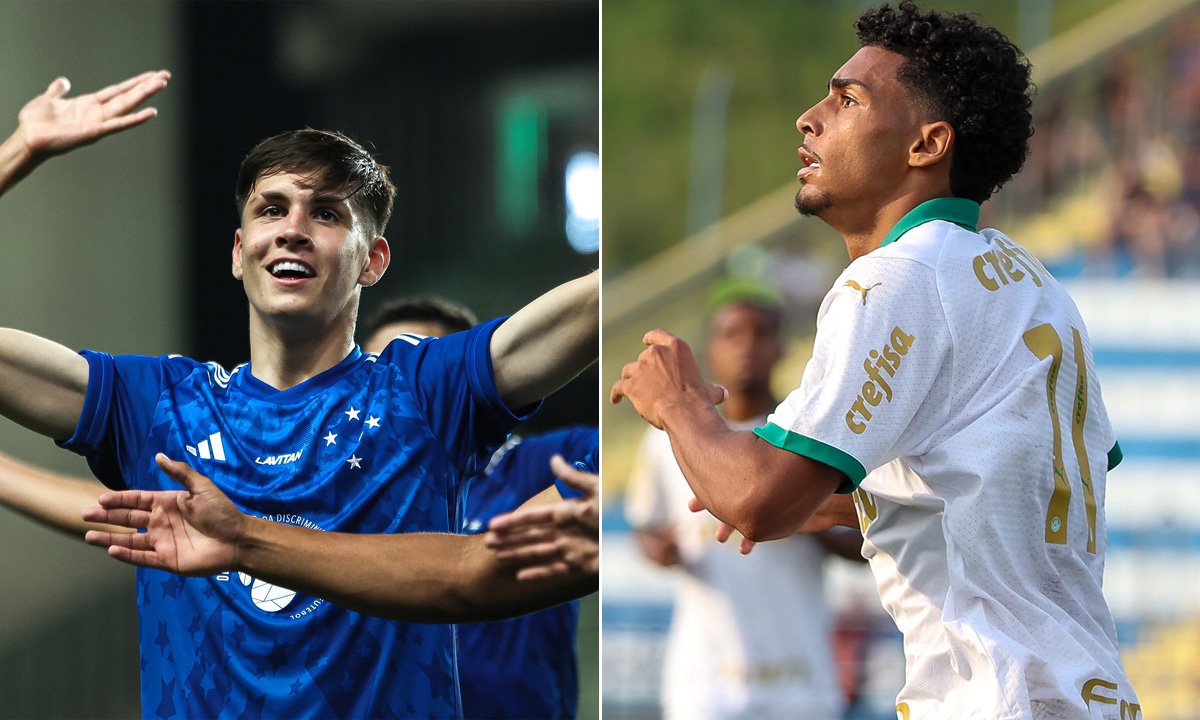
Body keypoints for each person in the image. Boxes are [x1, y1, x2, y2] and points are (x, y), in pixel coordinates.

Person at [0, 70, 598, 719]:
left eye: (327, 213)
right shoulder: (157, 404)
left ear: (373, 261)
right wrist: (19, 150)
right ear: (238, 250)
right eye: (271, 208)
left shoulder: (424, 389)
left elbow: (600, 301)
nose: (292, 229)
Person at [611, 3, 1141, 717]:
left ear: (928, 145)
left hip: (992, 697)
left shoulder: (895, 279)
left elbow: (755, 500)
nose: (809, 117)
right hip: (1086, 692)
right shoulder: (1030, 282)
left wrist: (673, 400)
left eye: (847, 99)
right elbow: (1001, 496)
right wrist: (831, 504)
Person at [625, 279, 860, 720]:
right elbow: (646, 529)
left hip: (801, 680)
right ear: (710, 351)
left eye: (761, 333)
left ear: (782, 347)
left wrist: (800, 518)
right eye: (732, 334)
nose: (747, 346)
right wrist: (663, 552)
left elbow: (870, 546)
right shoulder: (669, 440)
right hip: (703, 684)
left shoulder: (813, 436)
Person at [361, 296, 595, 720]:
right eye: (381, 372)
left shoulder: (554, 460)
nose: (401, 391)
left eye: (427, 370)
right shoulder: (344, 491)